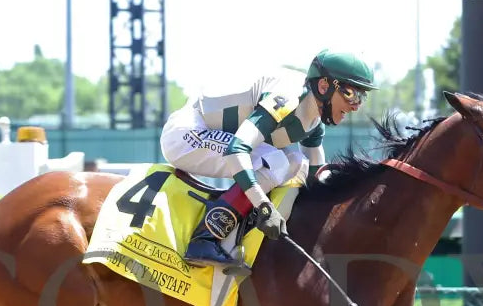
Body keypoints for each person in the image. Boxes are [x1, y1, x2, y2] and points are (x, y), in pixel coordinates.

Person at [160, 49, 377, 267]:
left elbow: (315, 179)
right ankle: (206, 236)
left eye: (362, 97)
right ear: (323, 86)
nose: (356, 105)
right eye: (351, 93)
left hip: (209, 131)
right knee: (278, 161)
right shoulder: (288, 99)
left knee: (295, 162)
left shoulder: (313, 122)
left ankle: (239, 228)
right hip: (186, 134)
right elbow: (236, 150)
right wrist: (264, 207)